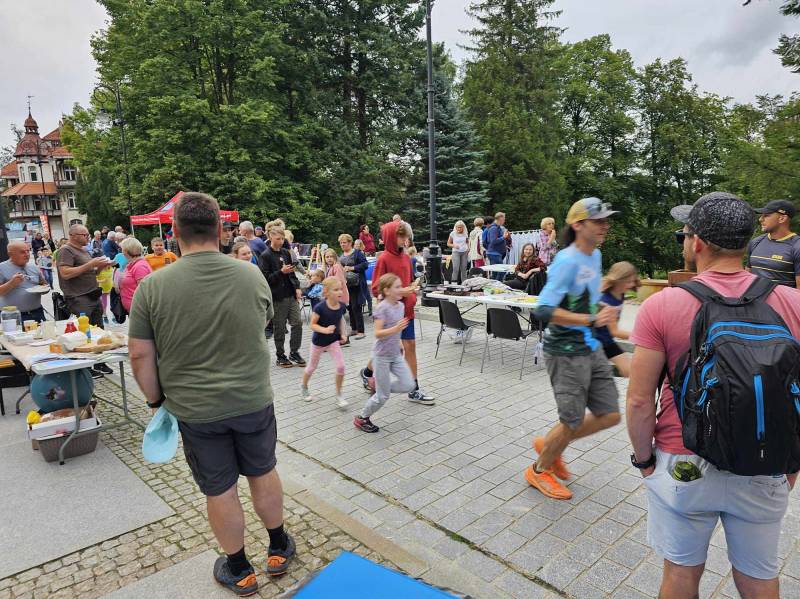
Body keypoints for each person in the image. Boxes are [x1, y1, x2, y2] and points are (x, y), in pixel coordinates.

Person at [627, 191, 800, 599]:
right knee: (758, 576)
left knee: (681, 573)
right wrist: (792, 462)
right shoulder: (792, 302)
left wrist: (645, 461)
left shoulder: (662, 305)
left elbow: (638, 400)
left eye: (684, 235)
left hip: (684, 458)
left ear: (698, 242)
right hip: (765, 461)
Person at [128, 192, 294, 595]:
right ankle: (278, 548)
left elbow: (139, 355)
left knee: (220, 489)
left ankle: (239, 569)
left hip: (196, 409)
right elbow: (265, 320)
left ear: (174, 231)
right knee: (262, 471)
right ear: (220, 229)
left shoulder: (152, 287)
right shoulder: (250, 275)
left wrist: (155, 401)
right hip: (251, 399)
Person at [528, 197, 622, 500]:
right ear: (578, 225)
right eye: (599, 221)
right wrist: (589, 318)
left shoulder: (595, 255)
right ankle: (539, 470)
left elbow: (585, 295)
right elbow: (543, 309)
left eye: (607, 220)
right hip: (565, 350)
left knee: (610, 414)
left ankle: (551, 444)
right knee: (571, 419)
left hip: (590, 346)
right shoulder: (566, 261)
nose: (606, 225)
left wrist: (601, 309)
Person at [359, 221, 434, 403]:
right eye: (401, 236)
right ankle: (368, 372)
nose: (404, 239)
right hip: (390, 314)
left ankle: (414, 389)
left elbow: (406, 283)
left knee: (410, 346)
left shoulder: (406, 257)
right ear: (391, 237)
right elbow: (376, 289)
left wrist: (412, 291)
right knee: (389, 349)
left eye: (405, 236)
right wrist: (402, 292)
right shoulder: (384, 258)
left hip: (406, 310)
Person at [354, 273, 417, 432]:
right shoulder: (381, 308)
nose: (401, 289)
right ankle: (362, 418)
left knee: (409, 384)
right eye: (397, 287)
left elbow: (397, 329)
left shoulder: (400, 306)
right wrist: (396, 329)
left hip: (395, 354)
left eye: (401, 286)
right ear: (387, 291)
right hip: (381, 356)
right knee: (382, 397)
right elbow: (377, 333)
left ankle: (380, 387)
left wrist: (398, 341)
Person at [260, 226, 305, 368]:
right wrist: (280, 272)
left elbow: (292, 273)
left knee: (297, 323)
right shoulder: (265, 255)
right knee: (279, 327)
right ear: (270, 238)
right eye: (278, 239)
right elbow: (265, 279)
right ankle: (280, 355)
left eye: (282, 239)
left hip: (291, 294)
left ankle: (294, 352)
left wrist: (297, 287)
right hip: (277, 297)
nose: (281, 241)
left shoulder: (286, 252)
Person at [300, 276, 349, 408]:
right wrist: (325, 330)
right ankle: (304, 386)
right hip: (318, 343)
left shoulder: (341, 306)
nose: (340, 292)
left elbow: (340, 320)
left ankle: (339, 394)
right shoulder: (320, 308)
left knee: (341, 366)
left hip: (333, 341)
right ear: (326, 292)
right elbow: (312, 325)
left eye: (341, 289)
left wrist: (343, 333)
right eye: (336, 290)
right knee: (312, 367)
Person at [57, 224, 111, 328]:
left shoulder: (84, 250)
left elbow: (92, 272)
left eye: (88, 235)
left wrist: (100, 266)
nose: (88, 237)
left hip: (93, 296)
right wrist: (91, 264)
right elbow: (65, 273)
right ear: (73, 236)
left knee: (99, 331)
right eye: (85, 235)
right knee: (84, 331)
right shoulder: (65, 250)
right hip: (79, 299)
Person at [595, 261, 639, 377]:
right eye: (628, 281)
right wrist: (640, 336)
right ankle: (609, 372)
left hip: (607, 340)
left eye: (633, 281)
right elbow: (614, 331)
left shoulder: (620, 294)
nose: (631, 285)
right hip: (597, 343)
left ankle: (610, 372)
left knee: (629, 371)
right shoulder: (606, 301)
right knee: (628, 370)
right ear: (618, 279)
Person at [747, 199, 800, 288]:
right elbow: (747, 278)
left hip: (784, 297)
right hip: (753, 297)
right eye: (761, 215)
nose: (760, 219)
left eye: (766, 215)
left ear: (782, 218)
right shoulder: (756, 242)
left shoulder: (797, 246)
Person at [0, 241, 49, 323]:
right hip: (12, 316)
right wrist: (11, 283)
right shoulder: (1, 268)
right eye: (22, 252)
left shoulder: (33, 267)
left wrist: (44, 287)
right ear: (10, 254)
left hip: (37, 313)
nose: (27, 254)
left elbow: (44, 285)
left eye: (28, 251)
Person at [338, 234, 367, 340]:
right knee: (349, 307)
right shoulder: (341, 255)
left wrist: (352, 268)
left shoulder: (357, 253)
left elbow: (365, 265)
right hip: (346, 285)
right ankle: (354, 328)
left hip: (357, 284)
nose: (342, 244)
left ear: (350, 242)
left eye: (344, 242)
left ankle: (361, 331)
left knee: (356, 306)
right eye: (341, 243)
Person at [118, 238, 153, 313]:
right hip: (134, 309)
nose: (122, 252)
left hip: (140, 310)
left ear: (126, 251)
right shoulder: (132, 264)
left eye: (122, 249)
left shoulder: (140, 267)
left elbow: (144, 292)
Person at [484, 212, 512, 280]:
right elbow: (493, 241)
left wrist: (506, 237)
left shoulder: (497, 228)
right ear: (500, 219)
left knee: (495, 272)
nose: (504, 221)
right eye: (504, 219)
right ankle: (497, 284)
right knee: (501, 271)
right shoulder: (494, 228)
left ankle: (493, 284)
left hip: (495, 253)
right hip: (494, 253)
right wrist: (503, 237)